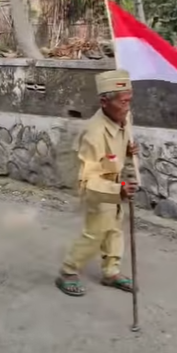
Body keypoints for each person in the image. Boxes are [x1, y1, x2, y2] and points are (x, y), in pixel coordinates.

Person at [55, 69, 139, 297]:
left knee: (115, 229)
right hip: (97, 188)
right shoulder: (93, 133)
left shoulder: (124, 118)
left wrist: (129, 152)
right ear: (104, 102)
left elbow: (119, 152)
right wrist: (117, 190)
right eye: (123, 102)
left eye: (129, 101)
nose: (127, 107)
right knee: (96, 232)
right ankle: (68, 271)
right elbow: (88, 179)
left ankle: (111, 272)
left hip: (115, 184)